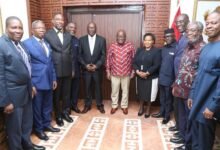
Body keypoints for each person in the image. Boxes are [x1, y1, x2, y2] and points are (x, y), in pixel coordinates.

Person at [0, 16, 45, 150]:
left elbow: (27, 68)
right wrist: (5, 101)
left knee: (26, 124)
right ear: (6, 28)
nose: (18, 30)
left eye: (20, 27)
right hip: (12, 96)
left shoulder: (21, 44)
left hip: (26, 92)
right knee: (14, 129)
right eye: (14, 27)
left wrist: (31, 87)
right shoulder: (2, 45)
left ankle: (28, 145)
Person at [188, 10, 220, 150]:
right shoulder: (207, 47)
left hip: (208, 104)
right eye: (207, 23)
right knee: (195, 137)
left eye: (214, 23)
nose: (209, 26)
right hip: (197, 101)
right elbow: (198, 73)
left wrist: (213, 106)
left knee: (204, 142)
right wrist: (192, 94)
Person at [23, 20, 60, 141]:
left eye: (43, 28)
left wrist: (54, 78)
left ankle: (46, 124)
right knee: (37, 108)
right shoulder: (26, 44)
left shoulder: (46, 43)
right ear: (32, 30)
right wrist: (31, 83)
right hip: (36, 82)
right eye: (39, 28)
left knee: (47, 106)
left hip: (49, 80)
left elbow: (50, 62)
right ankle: (39, 130)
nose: (42, 30)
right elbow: (26, 66)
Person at [172, 21, 205, 150]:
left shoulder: (203, 48)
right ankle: (183, 138)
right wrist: (175, 84)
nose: (189, 33)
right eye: (188, 30)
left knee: (190, 120)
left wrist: (193, 92)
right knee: (182, 117)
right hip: (180, 89)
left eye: (192, 30)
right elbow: (182, 67)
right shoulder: (187, 46)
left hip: (191, 93)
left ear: (200, 31)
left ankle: (188, 145)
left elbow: (200, 74)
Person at [44, 13, 73, 126]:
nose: (60, 22)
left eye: (62, 20)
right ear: (52, 21)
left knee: (66, 93)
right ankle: (58, 116)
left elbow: (70, 53)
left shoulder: (68, 35)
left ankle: (66, 113)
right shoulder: (47, 35)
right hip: (55, 70)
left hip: (67, 69)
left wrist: (72, 69)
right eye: (57, 20)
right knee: (56, 95)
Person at [79, 22, 106, 114]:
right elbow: (79, 55)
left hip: (97, 70)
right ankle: (87, 105)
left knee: (98, 87)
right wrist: (85, 65)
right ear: (87, 29)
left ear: (95, 28)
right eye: (89, 27)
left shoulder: (101, 40)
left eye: (93, 27)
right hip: (86, 70)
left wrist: (97, 65)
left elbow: (103, 55)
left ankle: (99, 104)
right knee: (87, 88)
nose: (91, 29)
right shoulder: (81, 40)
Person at [106, 29, 135, 115]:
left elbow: (134, 59)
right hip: (114, 73)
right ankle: (114, 106)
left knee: (125, 91)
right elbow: (108, 59)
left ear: (125, 37)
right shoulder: (112, 46)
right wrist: (108, 71)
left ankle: (124, 106)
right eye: (119, 36)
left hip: (126, 73)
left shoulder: (130, 46)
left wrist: (133, 71)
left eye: (122, 36)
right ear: (116, 37)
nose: (120, 38)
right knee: (114, 91)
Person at [169, 14, 189, 134]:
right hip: (177, 78)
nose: (179, 24)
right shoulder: (181, 37)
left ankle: (183, 132)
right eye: (177, 22)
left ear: (188, 22)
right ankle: (179, 127)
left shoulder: (189, 38)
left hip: (184, 80)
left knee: (183, 109)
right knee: (177, 106)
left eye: (182, 22)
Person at [151, 28, 176, 124]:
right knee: (162, 97)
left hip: (170, 79)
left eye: (170, 36)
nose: (168, 38)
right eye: (166, 37)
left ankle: (167, 116)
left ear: (174, 36)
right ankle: (161, 112)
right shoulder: (163, 49)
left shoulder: (177, 48)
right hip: (161, 78)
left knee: (168, 99)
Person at [133, 33, 161, 118]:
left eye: (149, 40)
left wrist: (147, 73)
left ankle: (148, 109)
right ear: (143, 41)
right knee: (141, 93)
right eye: (146, 40)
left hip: (151, 77)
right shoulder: (139, 50)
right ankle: (141, 107)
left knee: (149, 94)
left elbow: (157, 65)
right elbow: (134, 62)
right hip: (139, 76)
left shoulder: (157, 51)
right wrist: (138, 72)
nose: (147, 42)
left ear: (153, 41)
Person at [66, 22, 81, 113]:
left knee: (75, 89)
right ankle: (67, 108)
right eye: (71, 27)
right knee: (67, 90)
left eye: (74, 27)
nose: (73, 29)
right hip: (67, 70)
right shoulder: (63, 39)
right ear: (66, 28)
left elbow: (79, 55)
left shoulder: (76, 40)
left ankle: (74, 105)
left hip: (77, 70)